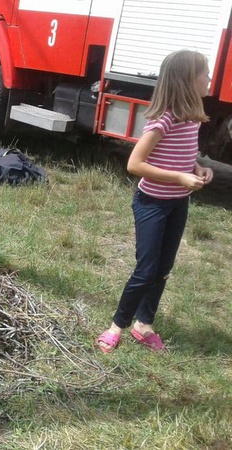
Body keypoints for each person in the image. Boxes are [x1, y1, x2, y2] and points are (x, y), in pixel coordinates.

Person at [96, 50, 214, 353]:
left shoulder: (192, 117)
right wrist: (179, 178)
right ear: (188, 80)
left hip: (178, 204)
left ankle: (144, 324)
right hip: (152, 204)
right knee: (146, 270)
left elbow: (185, 154)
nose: (210, 77)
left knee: (163, 267)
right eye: (205, 73)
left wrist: (197, 168)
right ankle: (115, 327)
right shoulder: (164, 120)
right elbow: (135, 164)